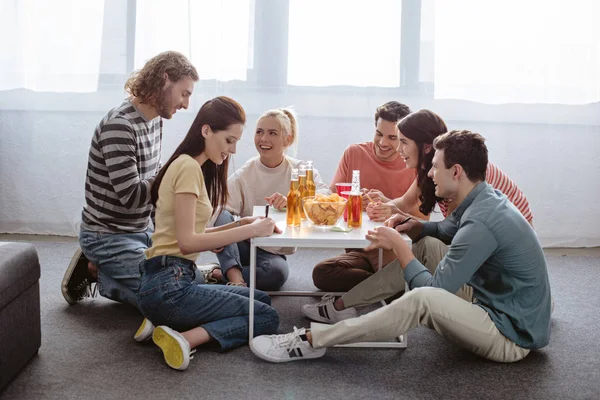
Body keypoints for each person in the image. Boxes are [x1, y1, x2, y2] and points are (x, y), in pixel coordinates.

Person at [251, 130, 552, 363]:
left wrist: (397, 244)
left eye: (435, 167)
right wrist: (415, 226)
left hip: (510, 335)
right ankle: (341, 306)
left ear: (456, 171)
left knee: (422, 299)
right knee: (427, 243)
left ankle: (312, 340)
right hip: (498, 301)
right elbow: (445, 229)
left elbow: (435, 290)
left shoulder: (481, 223)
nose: (430, 174)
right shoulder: (482, 198)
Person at [303, 109, 537, 323]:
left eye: (402, 142)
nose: (397, 148)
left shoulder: (461, 175)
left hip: (500, 265)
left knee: (423, 250)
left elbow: (457, 235)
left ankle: (361, 302)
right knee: (422, 246)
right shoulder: (435, 168)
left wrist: (401, 240)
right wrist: (386, 206)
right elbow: (406, 203)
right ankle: (350, 302)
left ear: (425, 147)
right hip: (490, 254)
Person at [135, 96, 280, 371]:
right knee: (266, 317)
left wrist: (239, 224)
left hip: (163, 280)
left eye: (237, 141)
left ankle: (162, 322)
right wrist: (250, 230)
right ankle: (185, 338)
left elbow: (192, 232)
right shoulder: (189, 167)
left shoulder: (188, 165)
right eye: (229, 140)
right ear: (206, 130)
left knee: (259, 298)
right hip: (171, 287)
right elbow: (188, 242)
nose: (233, 149)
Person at [61, 51, 199, 306]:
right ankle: (97, 271)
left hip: (140, 228)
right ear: (165, 80)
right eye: (184, 93)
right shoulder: (120, 125)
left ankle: (104, 268)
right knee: (169, 296)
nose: (186, 104)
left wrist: (163, 230)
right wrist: (172, 175)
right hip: (107, 235)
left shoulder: (156, 121)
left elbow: (154, 183)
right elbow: (133, 197)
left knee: (190, 282)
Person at [210, 108, 329, 290]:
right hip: (243, 244)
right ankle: (235, 278)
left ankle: (219, 273)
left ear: (287, 140)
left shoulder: (301, 170)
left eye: (272, 133)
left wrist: (293, 201)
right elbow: (218, 207)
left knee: (276, 274)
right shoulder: (246, 173)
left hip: (271, 251)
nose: (263, 139)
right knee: (222, 214)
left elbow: (326, 198)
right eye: (259, 132)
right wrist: (217, 234)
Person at [311, 101, 417, 293]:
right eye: (379, 134)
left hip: (393, 249)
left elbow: (421, 221)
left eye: (392, 138)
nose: (383, 143)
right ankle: (390, 285)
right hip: (360, 248)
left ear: (404, 138)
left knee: (393, 269)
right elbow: (332, 202)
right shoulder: (354, 153)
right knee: (321, 273)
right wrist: (354, 200)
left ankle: (389, 284)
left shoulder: (412, 164)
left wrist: (387, 204)